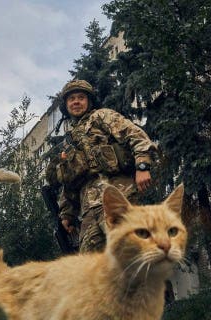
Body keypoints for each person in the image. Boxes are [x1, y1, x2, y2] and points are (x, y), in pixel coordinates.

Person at [54, 79, 155, 253]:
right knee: (89, 266)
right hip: (89, 210)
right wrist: (67, 214)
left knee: (129, 252)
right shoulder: (68, 142)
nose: (76, 102)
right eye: (71, 99)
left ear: (89, 101)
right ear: (66, 105)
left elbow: (135, 135)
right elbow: (69, 181)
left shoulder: (101, 116)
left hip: (118, 195)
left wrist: (142, 166)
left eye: (81, 97)